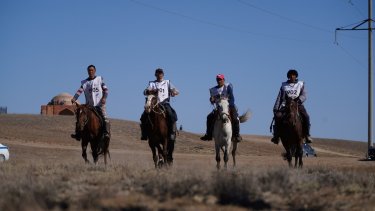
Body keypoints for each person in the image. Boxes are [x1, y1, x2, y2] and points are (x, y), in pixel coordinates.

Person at [271, 69, 313, 144]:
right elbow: (279, 97)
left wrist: (299, 100)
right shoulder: (284, 85)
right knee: (277, 116)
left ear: (296, 76)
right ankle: (276, 136)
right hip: (286, 105)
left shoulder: (301, 84)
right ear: (288, 76)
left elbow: (304, 95)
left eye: (293, 75)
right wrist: (276, 108)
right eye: (290, 75)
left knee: (306, 116)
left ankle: (307, 135)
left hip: (298, 104)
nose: (292, 76)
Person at [70, 64, 110, 141]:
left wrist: (104, 98)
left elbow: (106, 90)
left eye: (92, 70)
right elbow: (79, 91)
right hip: (89, 106)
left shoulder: (99, 79)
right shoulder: (84, 83)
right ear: (87, 72)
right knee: (80, 118)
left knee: (105, 118)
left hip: (100, 105)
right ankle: (78, 134)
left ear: (95, 71)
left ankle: (106, 133)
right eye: (89, 70)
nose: (90, 72)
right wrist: (74, 98)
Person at [200, 74, 242, 142]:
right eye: (218, 79)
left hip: (229, 106)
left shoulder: (227, 86)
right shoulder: (213, 90)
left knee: (235, 118)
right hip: (219, 108)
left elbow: (232, 98)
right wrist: (211, 100)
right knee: (209, 117)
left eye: (220, 79)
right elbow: (212, 100)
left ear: (223, 80)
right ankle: (209, 134)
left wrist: (230, 106)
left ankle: (236, 135)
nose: (219, 81)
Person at [140, 68, 179, 141]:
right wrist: (149, 90)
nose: (159, 75)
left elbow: (177, 91)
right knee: (143, 116)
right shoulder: (152, 84)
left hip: (164, 103)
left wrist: (174, 92)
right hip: (153, 104)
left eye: (160, 73)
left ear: (163, 74)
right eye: (157, 73)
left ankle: (172, 133)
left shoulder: (167, 82)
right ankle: (144, 134)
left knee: (171, 114)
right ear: (155, 75)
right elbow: (144, 92)